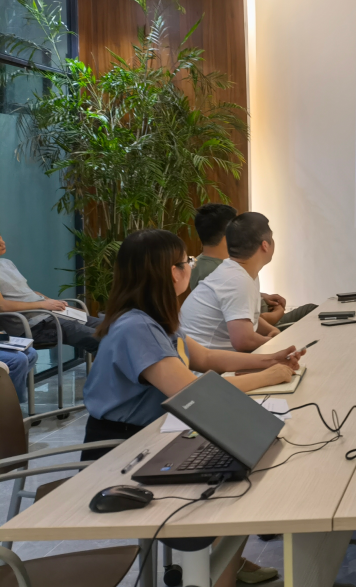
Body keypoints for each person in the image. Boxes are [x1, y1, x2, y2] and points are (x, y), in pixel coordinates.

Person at [81, 228, 304, 587]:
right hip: (122, 450)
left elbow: (206, 358)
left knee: (245, 460)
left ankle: (226, 563)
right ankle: (217, 571)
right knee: (234, 483)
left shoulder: (153, 317)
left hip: (155, 435)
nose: (190, 266)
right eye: (187, 261)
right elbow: (193, 392)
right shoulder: (136, 327)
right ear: (172, 273)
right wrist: (269, 376)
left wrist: (269, 360)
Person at [190, 204, 316, 327]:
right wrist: (277, 313)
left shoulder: (206, 264)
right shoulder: (215, 273)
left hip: (263, 317)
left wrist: (261, 296)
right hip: (266, 328)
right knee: (312, 312)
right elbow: (245, 323)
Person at [181, 212, 285, 352]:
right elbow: (244, 341)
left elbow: (246, 317)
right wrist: (275, 343)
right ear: (265, 245)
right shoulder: (238, 280)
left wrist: (271, 331)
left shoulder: (238, 271)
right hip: (203, 363)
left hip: (211, 357)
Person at [0, 233, 101, 353]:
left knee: (107, 326)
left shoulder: (6, 263)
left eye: (0, 237)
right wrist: (43, 305)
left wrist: (50, 301)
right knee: (100, 338)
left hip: (49, 314)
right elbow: (3, 306)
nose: (2, 242)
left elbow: (26, 292)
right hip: (33, 325)